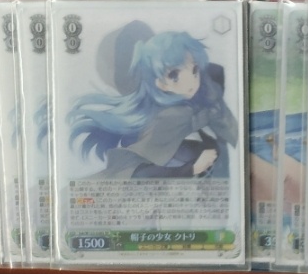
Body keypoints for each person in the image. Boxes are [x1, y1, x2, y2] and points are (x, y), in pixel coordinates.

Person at [69, 25, 238, 179]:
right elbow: (135, 172)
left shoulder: (208, 85)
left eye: (195, 70)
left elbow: (228, 124)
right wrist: (191, 169)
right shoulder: (166, 118)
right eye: (174, 76)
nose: (192, 82)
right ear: (159, 83)